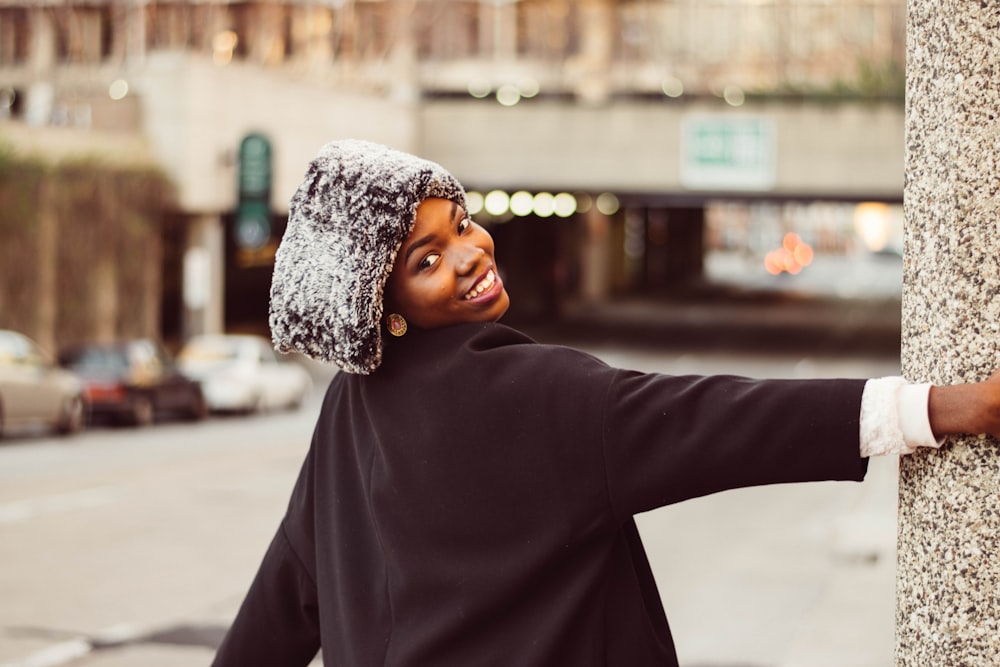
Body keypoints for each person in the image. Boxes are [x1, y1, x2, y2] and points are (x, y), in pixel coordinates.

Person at [212, 139, 1000, 667]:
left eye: (461, 223)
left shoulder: (350, 410)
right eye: (427, 258)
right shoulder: (532, 395)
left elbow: (286, 597)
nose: (472, 252)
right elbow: (733, 423)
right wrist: (951, 408)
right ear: (381, 304)